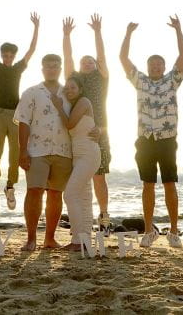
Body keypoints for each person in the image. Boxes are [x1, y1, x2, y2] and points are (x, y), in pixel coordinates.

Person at [119, 16, 183, 248]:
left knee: (169, 184)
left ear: (164, 67)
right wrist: (128, 34)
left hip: (167, 140)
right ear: (147, 67)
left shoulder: (172, 81)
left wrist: (178, 30)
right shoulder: (140, 81)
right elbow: (123, 58)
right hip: (145, 140)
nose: (156, 67)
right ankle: (149, 231)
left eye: (159, 64)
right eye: (152, 64)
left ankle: (174, 231)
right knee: (147, 185)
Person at [15, 54, 73, 251]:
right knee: (34, 191)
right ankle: (31, 239)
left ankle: (50, 239)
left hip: (63, 150)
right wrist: (22, 151)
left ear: (60, 69)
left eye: (55, 66)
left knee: (56, 194)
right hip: (37, 150)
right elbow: (23, 122)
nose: (52, 69)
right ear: (42, 69)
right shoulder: (31, 92)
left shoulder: (69, 92)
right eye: (48, 66)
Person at [62, 13, 112, 232]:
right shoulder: (75, 81)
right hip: (76, 134)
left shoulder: (102, 78)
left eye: (90, 61)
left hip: (99, 131)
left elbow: (102, 56)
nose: (88, 63)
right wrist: (66, 36)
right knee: (79, 179)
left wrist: (98, 32)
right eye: (84, 62)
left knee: (99, 177)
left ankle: (104, 216)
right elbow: (68, 58)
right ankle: (83, 221)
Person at [0, 12, 40, 211]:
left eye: (11, 56)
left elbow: (31, 50)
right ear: (2, 55)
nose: (8, 58)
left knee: (15, 153)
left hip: (15, 115)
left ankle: (10, 186)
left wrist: (36, 27)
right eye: (6, 55)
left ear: (14, 57)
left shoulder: (17, 68)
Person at [53, 75, 102, 251]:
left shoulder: (83, 102)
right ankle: (85, 240)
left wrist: (58, 106)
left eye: (73, 87)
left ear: (80, 89)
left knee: (70, 195)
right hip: (79, 156)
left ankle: (77, 241)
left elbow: (69, 124)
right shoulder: (73, 106)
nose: (69, 90)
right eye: (67, 88)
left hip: (88, 153)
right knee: (84, 197)